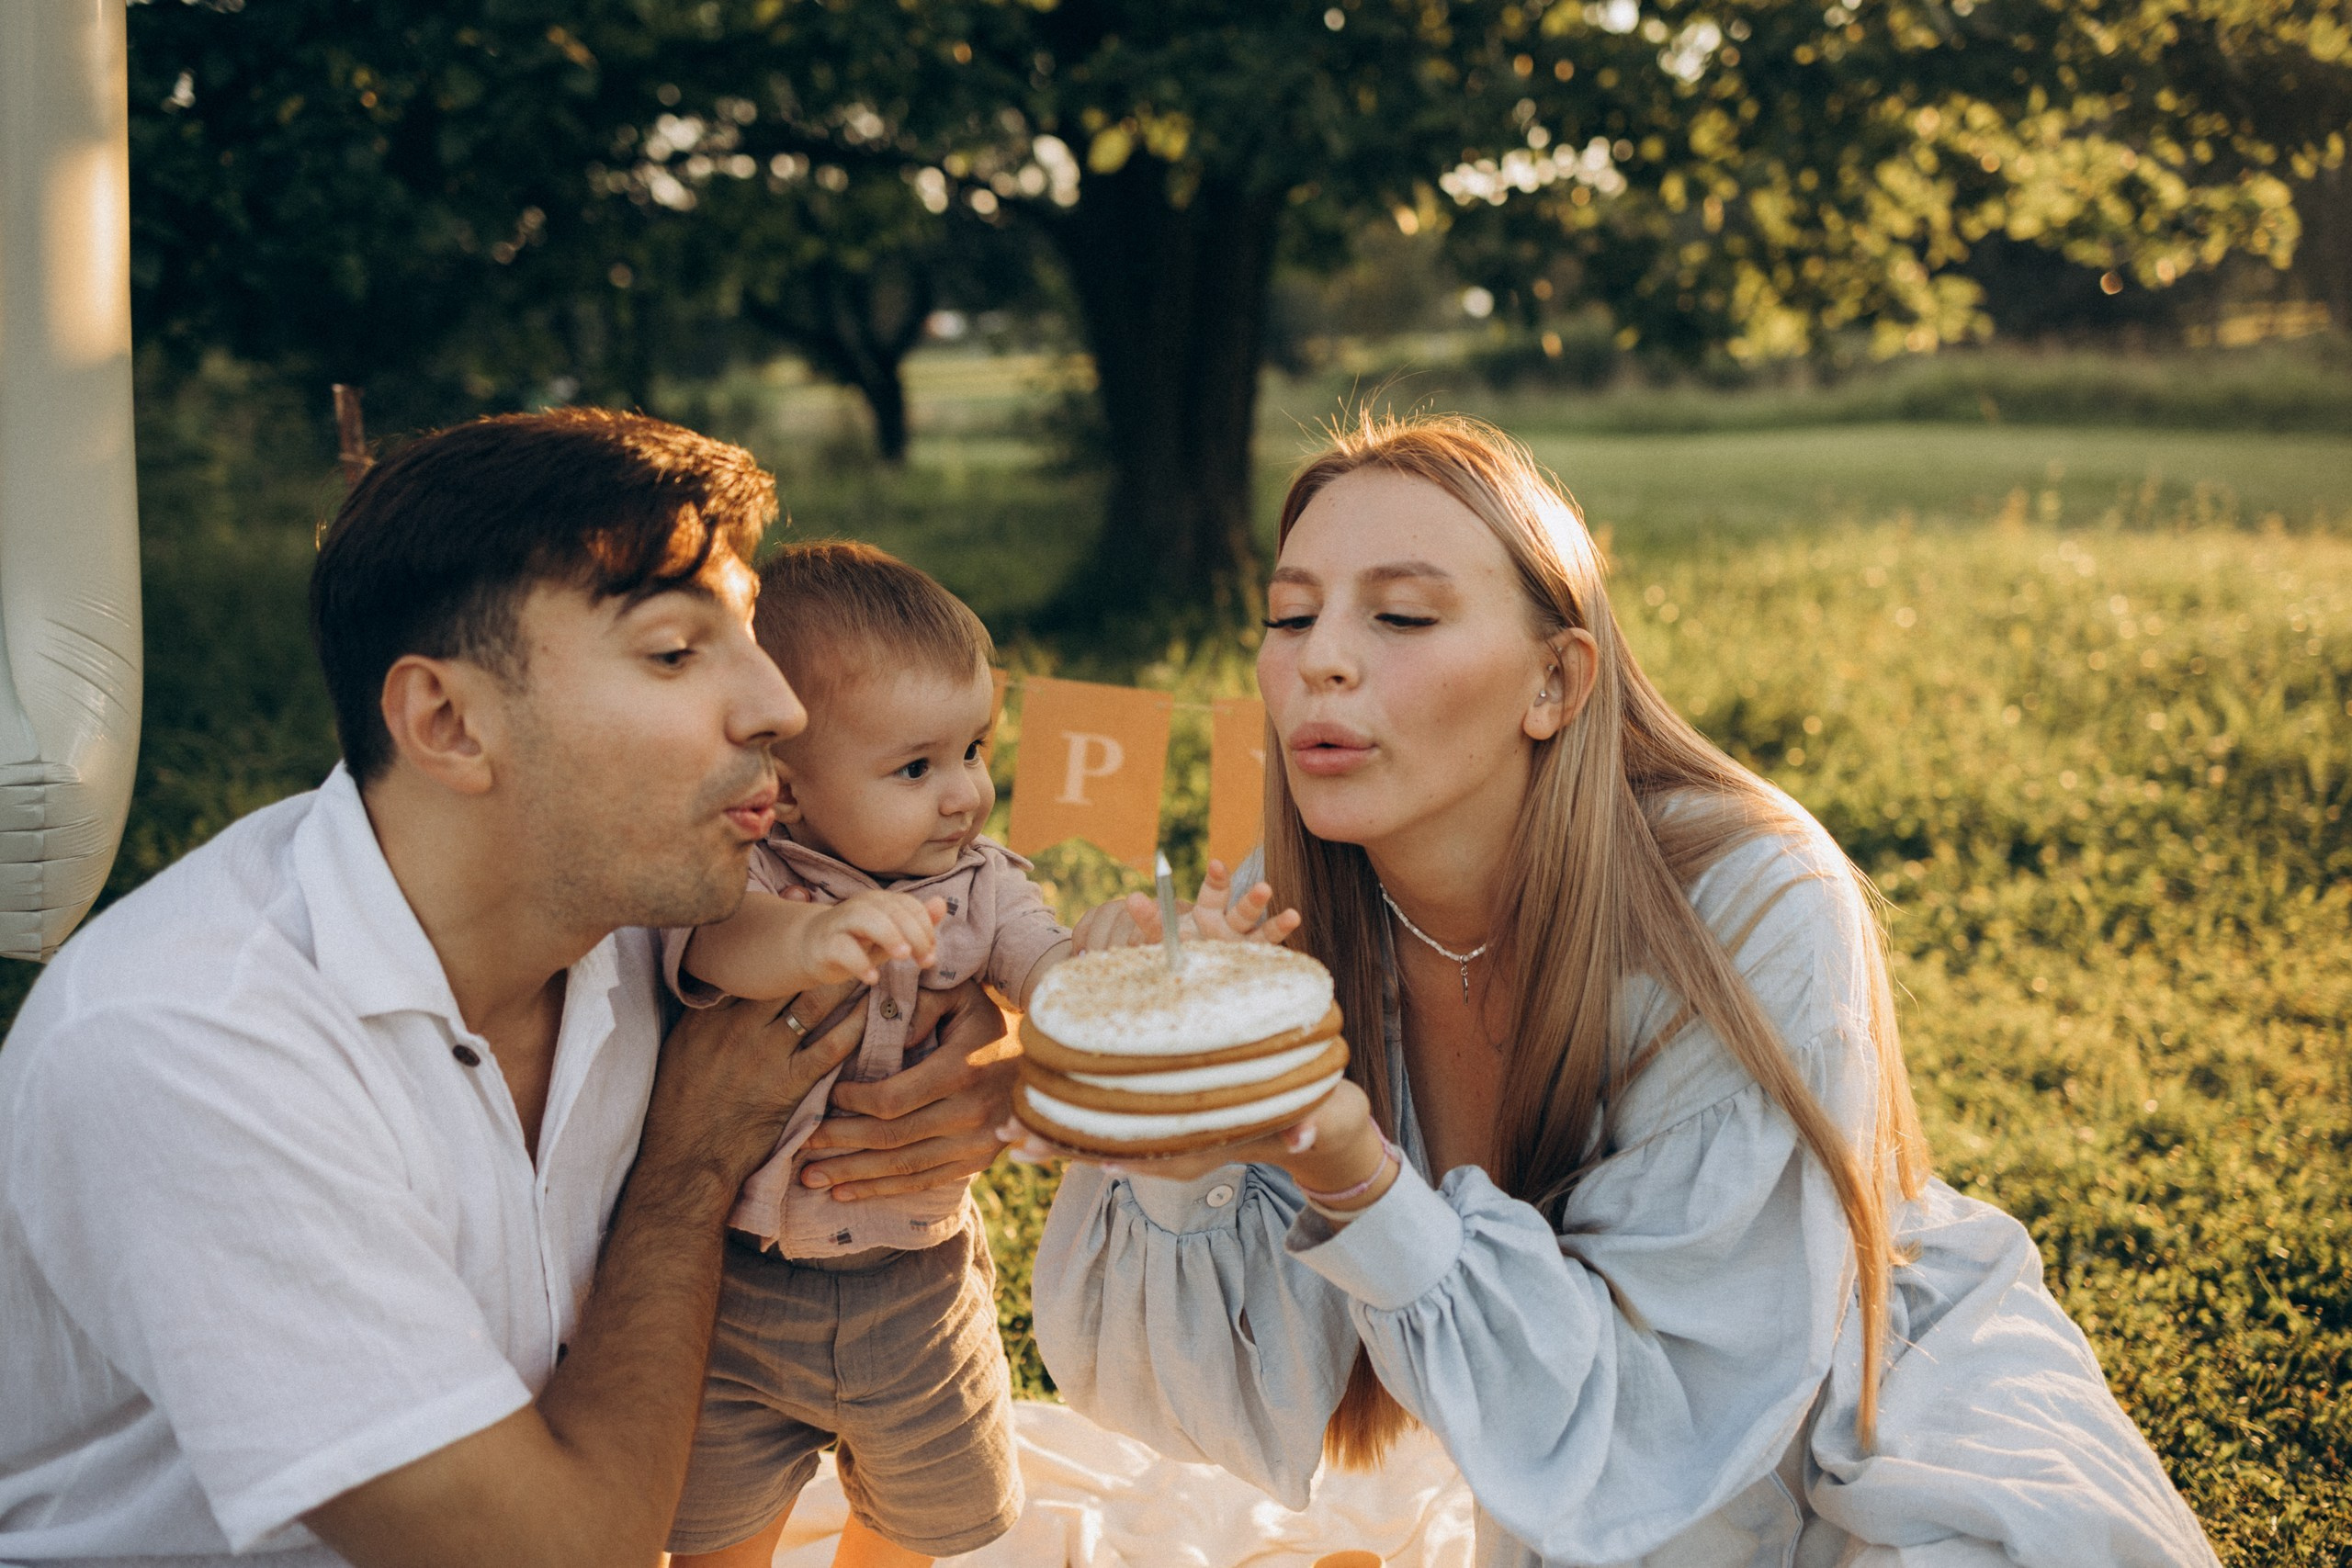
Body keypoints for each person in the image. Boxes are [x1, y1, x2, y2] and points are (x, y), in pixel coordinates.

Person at [1020, 413, 2218, 1568]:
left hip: (1857, 1390)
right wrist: (1171, 1160)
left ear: (1557, 678)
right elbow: (1220, 1397)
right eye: (1293, 612)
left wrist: (1353, 1167)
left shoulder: (1748, 899)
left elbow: (1667, 1409)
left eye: (1400, 612)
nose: (1321, 657)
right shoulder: (1281, 925)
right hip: (1548, 1442)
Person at [0, 410, 1016, 1568]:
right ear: (447, 725)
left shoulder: (655, 905)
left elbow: (956, 966)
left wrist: (973, 1064)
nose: (779, 708)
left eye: (748, 639)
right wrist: (690, 1161)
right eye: (676, 654)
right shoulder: (187, 1049)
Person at [660, 541, 1297, 1568]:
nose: (962, 795)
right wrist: (810, 941)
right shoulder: (750, 874)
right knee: (712, 1529)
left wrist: (1107, 959)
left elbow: (1043, 978)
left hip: (916, 1280)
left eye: (975, 750)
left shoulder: (982, 885)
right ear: (783, 789)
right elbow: (716, 941)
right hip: (744, 1287)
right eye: (915, 767)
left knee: (920, 1521)